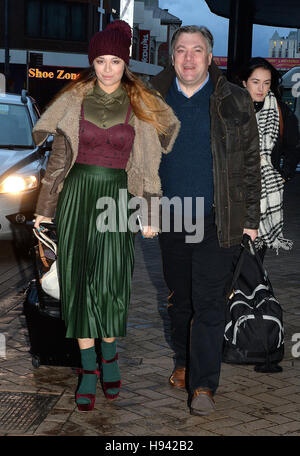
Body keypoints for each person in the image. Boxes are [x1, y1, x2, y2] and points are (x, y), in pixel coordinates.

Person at [32, 20, 180, 412]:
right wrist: (44, 212)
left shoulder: (141, 103)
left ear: (125, 62)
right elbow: (58, 163)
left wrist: (149, 211)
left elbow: (149, 164)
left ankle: (109, 358)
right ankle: (87, 370)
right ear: (92, 62)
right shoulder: (74, 101)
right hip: (78, 196)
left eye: (115, 60)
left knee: (111, 279)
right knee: (78, 282)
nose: (108, 68)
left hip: (116, 197)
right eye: (101, 60)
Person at [151, 25, 261, 416]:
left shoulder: (233, 98)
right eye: (181, 50)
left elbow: (251, 162)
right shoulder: (152, 98)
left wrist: (250, 217)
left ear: (210, 57)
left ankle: (203, 385)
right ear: (172, 56)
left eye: (197, 50)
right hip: (171, 217)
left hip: (219, 218)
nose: (189, 58)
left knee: (211, 303)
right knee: (181, 300)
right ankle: (183, 361)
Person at [239, 57, 300, 257]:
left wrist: (283, 175)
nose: (261, 88)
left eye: (266, 83)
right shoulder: (231, 109)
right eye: (255, 82)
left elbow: (294, 147)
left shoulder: (280, 110)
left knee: (255, 255)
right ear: (244, 82)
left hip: (266, 193)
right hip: (234, 191)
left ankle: (252, 287)